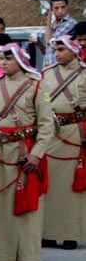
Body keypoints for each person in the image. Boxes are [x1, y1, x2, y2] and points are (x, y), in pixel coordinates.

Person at [0, 43, 56, 261]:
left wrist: (36, 154)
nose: (2, 62)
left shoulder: (36, 86)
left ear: (20, 60)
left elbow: (46, 126)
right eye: (1, 59)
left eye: (8, 59)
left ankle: (25, 256)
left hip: (25, 153)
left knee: (25, 205)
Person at [40, 36, 86, 249]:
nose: (57, 53)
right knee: (49, 185)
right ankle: (48, 233)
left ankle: (70, 234)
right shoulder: (46, 74)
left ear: (74, 51)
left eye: (61, 49)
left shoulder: (84, 73)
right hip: (51, 134)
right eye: (56, 49)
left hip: (75, 133)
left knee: (70, 188)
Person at [40, 0, 77, 68]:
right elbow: (46, 48)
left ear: (67, 6)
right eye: (56, 8)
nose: (60, 11)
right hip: (48, 65)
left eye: (63, 7)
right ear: (52, 8)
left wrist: (49, 17)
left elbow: (49, 41)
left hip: (60, 67)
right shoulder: (52, 24)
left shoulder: (71, 23)